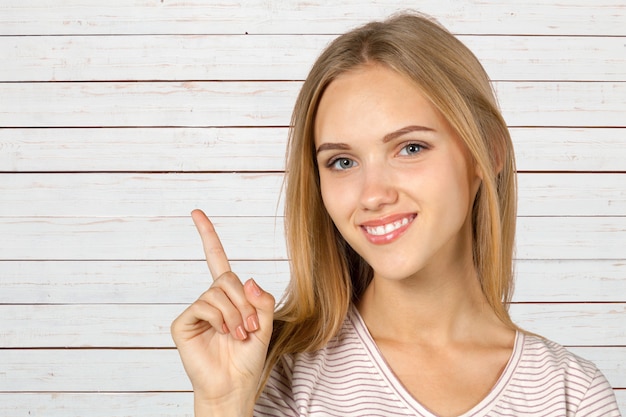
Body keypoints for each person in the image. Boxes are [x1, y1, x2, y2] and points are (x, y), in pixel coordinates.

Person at [170, 12, 621, 417]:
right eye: (342, 161)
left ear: (487, 154)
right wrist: (222, 405)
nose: (373, 195)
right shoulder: (275, 377)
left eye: (410, 148)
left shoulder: (570, 395)